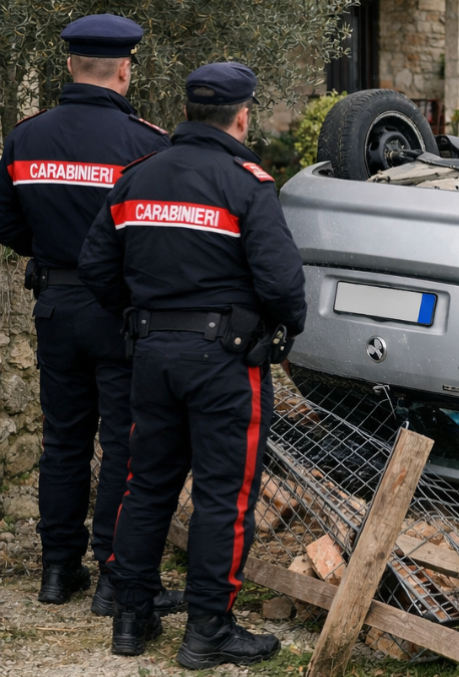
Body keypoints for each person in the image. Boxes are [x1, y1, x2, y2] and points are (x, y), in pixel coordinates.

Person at [78, 62, 307, 666]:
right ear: (242, 115)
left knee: (146, 483)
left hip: (151, 356)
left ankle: (131, 619)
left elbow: (97, 267)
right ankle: (207, 630)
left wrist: (143, 317)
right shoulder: (247, 182)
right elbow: (282, 283)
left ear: (186, 111)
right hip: (224, 363)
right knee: (222, 496)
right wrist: (285, 328)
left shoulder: (137, 177)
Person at [0, 14, 185, 617]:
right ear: (125, 68)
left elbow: (6, 222)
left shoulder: (26, 137)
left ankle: (58, 571)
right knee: (125, 444)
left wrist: (54, 254)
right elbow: (160, 232)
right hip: (120, 311)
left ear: (71, 65)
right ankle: (113, 574)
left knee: (62, 443)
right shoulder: (147, 143)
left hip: (55, 305)